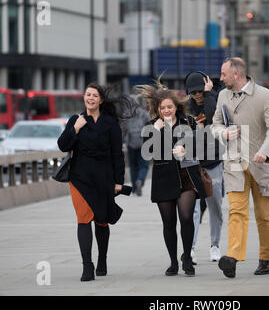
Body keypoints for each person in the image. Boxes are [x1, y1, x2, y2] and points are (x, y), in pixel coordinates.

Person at [211, 57, 269, 278]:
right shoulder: (223, 95)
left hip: (261, 164)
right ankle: (232, 257)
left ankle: (266, 258)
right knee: (236, 211)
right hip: (234, 163)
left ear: (236, 75)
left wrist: (265, 150)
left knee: (264, 214)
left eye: (224, 74)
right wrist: (223, 133)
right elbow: (215, 124)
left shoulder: (265, 95)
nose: (221, 79)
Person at [57, 82, 132, 282]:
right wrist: (75, 129)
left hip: (104, 178)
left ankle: (102, 259)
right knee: (83, 219)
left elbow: (117, 154)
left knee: (101, 221)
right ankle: (87, 266)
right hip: (80, 178)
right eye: (87, 94)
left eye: (94, 95)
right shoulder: (76, 119)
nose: (90, 98)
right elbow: (62, 145)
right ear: (84, 97)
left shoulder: (110, 123)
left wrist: (118, 181)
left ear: (101, 100)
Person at [138, 82, 207, 277]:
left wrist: (187, 150)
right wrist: (158, 131)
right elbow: (148, 153)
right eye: (162, 108)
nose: (166, 110)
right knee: (168, 223)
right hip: (164, 178)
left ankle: (186, 257)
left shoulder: (188, 122)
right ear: (157, 109)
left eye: (169, 106)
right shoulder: (151, 126)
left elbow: (203, 147)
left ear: (176, 106)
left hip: (187, 177)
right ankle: (172, 262)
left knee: (186, 217)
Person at [184, 71, 224, 263]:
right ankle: (190, 247)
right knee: (192, 208)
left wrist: (209, 94)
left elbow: (211, 116)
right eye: (194, 93)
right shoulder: (186, 108)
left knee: (215, 205)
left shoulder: (215, 99)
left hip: (214, 161)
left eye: (200, 91)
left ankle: (215, 245)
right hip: (193, 163)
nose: (198, 95)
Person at [123, 96, 150, 196]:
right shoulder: (144, 114)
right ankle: (140, 180)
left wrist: (124, 141)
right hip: (143, 142)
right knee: (144, 165)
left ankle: (134, 189)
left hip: (131, 142)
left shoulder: (126, 114)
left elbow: (124, 129)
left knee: (133, 166)